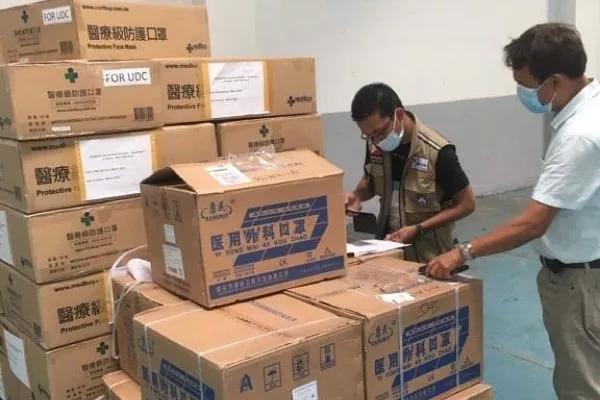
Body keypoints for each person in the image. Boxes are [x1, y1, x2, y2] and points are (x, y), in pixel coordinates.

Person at [426, 23, 600, 400]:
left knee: (581, 384)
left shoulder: (578, 137)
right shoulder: (593, 104)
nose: (524, 94)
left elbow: (533, 223)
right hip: (590, 263)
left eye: (527, 85)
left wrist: (462, 251)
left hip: (579, 283)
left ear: (554, 80)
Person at [345, 83, 476, 263]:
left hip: (429, 256)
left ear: (398, 115)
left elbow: (467, 204)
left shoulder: (437, 152)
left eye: (379, 132)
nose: (376, 140)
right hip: (387, 248)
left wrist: (419, 228)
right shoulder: (376, 144)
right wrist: (357, 195)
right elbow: (371, 181)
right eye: (368, 136)